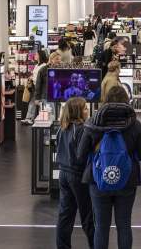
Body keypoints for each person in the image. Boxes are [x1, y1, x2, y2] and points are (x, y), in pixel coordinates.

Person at [77, 86, 141, 249]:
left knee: (101, 227)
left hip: (98, 180)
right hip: (127, 180)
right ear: (126, 100)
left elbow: (80, 155)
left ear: (106, 100)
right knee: (124, 225)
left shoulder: (93, 121)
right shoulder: (134, 124)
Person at [55, 97, 95, 249]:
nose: (87, 111)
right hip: (77, 176)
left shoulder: (62, 128)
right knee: (87, 216)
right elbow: (81, 155)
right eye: (85, 108)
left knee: (65, 215)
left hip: (63, 174)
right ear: (78, 111)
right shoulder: (82, 129)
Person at [21, 50, 49, 125]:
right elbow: (35, 75)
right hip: (34, 86)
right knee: (32, 102)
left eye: (36, 54)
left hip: (39, 88)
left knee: (39, 104)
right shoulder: (37, 65)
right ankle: (29, 118)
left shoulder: (43, 66)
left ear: (40, 56)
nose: (35, 56)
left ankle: (37, 119)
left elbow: (40, 78)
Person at [31, 51, 61, 116]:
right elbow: (38, 85)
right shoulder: (43, 70)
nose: (59, 61)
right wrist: (37, 98)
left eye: (59, 59)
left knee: (56, 116)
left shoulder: (59, 69)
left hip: (56, 97)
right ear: (51, 59)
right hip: (45, 97)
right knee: (47, 117)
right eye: (57, 59)